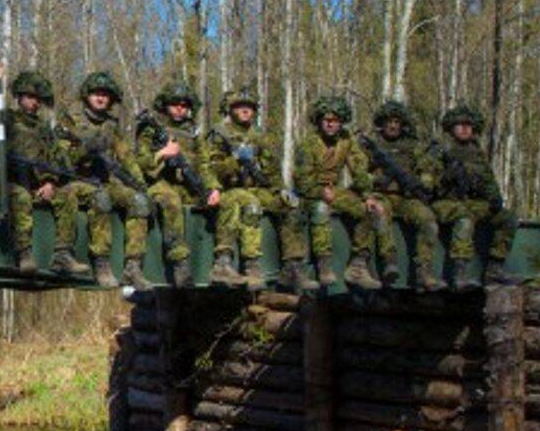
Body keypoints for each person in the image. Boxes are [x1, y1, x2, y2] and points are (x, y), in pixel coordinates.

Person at [0, 68, 91, 277]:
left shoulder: (44, 129)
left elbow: (54, 159)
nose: (34, 102)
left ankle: (63, 254)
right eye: (29, 97)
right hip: (9, 181)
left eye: (38, 99)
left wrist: (51, 183)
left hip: (38, 182)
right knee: (20, 197)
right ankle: (24, 253)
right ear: (19, 97)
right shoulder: (6, 119)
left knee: (67, 195)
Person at [205, 87, 308, 292]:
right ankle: (249, 267)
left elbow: (271, 170)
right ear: (231, 109)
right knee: (251, 205)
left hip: (256, 187)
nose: (245, 111)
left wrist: (281, 190)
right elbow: (212, 170)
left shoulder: (259, 136)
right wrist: (235, 160)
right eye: (240, 106)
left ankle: (292, 267)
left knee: (290, 206)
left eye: (250, 107)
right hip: (230, 190)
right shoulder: (219, 134)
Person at [57, 72, 150, 288]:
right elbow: (60, 161)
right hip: (76, 178)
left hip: (105, 178)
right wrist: (84, 150)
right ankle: (102, 263)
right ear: (87, 95)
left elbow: (125, 155)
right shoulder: (70, 120)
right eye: (97, 94)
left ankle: (133, 266)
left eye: (106, 95)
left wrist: (140, 184)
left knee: (139, 202)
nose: (101, 98)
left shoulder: (110, 124)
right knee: (102, 199)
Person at [293, 95, 386, 291]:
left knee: (367, 209)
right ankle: (324, 264)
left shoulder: (346, 140)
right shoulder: (308, 144)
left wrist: (367, 195)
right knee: (320, 209)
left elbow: (359, 168)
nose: (330, 124)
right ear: (319, 121)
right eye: (326, 120)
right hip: (309, 194)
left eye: (335, 121)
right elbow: (301, 181)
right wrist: (319, 191)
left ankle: (358, 266)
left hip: (333, 190)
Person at [135, 80, 221, 288]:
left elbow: (204, 163)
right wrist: (162, 154)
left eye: (184, 105)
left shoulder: (193, 132)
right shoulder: (150, 129)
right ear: (165, 105)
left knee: (222, 203)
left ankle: (221, 263)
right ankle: (180, 262)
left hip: (188, 185)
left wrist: (213, 188)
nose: (180, 109)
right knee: (171, 201)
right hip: (160, 183)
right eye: (175, 104)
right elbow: (139, 162)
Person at [431, 103, 518, 289]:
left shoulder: (477, 154)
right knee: (465, 218)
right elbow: (426, 185)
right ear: (452, 127)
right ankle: (460, 271)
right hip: (446, 203)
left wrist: (495, 198)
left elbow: (488, 181)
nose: (464, 128)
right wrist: (446, 177)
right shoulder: (440, 152)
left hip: (473, 203)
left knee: (507, 218)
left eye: (468, 125)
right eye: (460, 124)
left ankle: (494, 268)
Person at [363, 99, 443, 292]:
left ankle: (423, 270)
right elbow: (359, 170)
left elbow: (426, 168)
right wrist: (373, 181)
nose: (392, 125)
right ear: (382, 123)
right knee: (380, 215)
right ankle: (389, 261)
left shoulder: (412, 146)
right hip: (382, 195)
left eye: (397, 122)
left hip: (407, 197)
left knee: (428, 220)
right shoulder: (373, 147)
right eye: (389, 122)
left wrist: (423, 182)